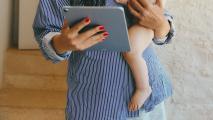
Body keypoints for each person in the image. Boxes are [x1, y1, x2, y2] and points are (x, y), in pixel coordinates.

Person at [33, 0, 175, 120]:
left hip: (150, 101)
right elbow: (46, 31)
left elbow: (161, 23)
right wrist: (62, 44)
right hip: (97, 103)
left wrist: (161, 25)